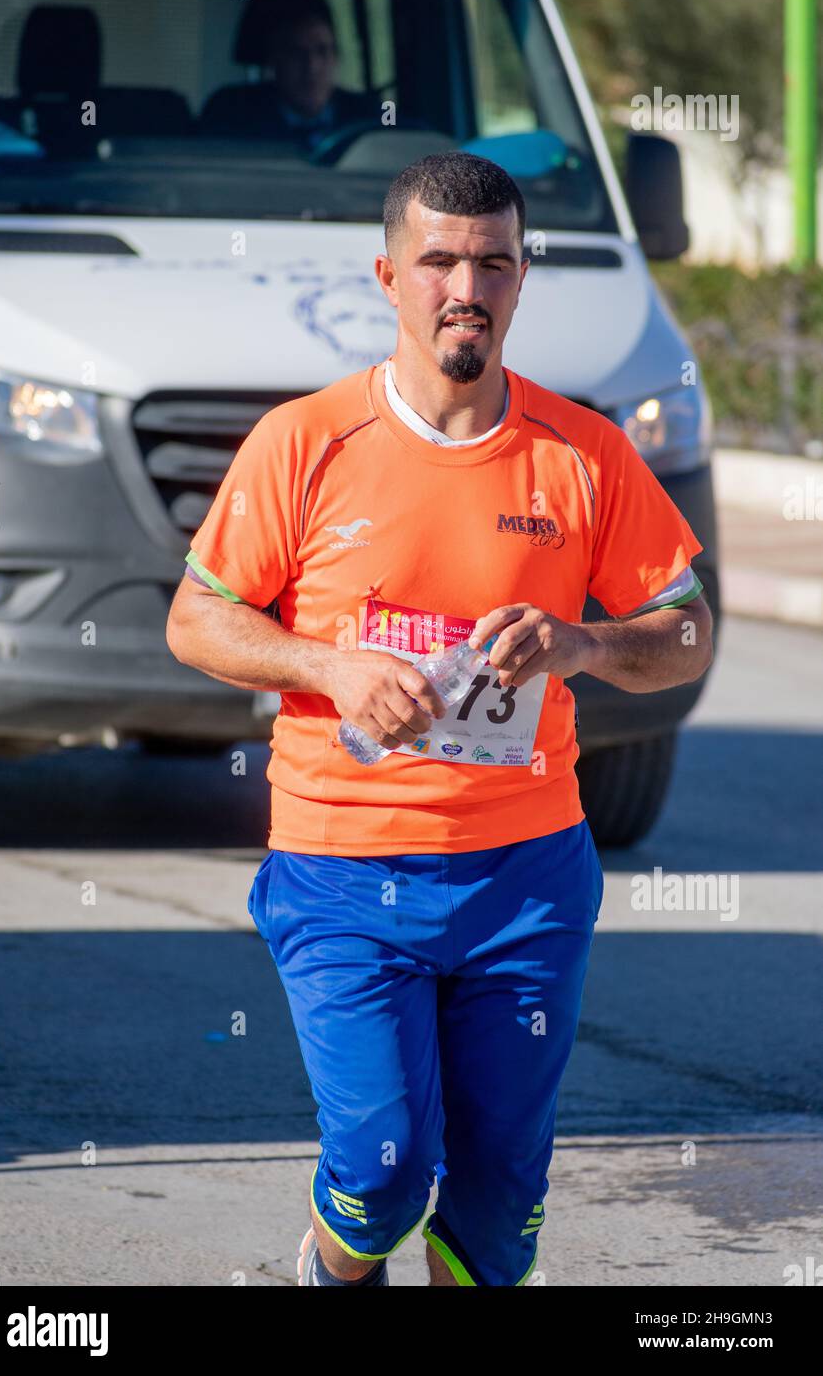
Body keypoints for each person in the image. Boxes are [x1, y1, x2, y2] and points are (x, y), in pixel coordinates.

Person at [166, 151, 713, 1287]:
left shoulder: (585, 454)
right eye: (438, 262)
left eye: (492, 263)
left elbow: (688, 633)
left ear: (521, 279)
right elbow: (196, 619)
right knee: (380, 1165)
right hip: (340, 866)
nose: (464, 286)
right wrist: (328, 664)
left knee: (500, 1190)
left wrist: (583, 645)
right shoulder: (305, 442)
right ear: (388, 274)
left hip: (525, 875)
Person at [200, 0, 375, 150]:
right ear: (273, 59)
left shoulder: (369, 118)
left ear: (336, 56)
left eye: (323, 50)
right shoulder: (233, 116)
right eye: (296, 53)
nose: (312, 67)